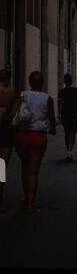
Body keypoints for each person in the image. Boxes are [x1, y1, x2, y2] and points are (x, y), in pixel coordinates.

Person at [15, 71, 56, 214]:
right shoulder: (47, 98)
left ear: (29, 81)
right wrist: (53, 129)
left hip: (21, 136)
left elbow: (15, 113)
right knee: (33, 171)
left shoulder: (23, 95)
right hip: (38, 137)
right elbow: (52, 118)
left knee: (24, 168)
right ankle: (30, 203)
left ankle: (26, 198)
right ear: (42, 83)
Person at [0, 69, 18, 210]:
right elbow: (13, 115)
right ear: (7, 79)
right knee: (2, 163)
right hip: (5, 128)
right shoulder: (12, 93)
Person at [58, 74, 77, 162]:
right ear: (71, 81)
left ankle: (67, 151)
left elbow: (60, 104)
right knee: (73, 132)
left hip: (65, 114)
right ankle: (70, 151)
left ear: (64, 81)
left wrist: (59, 114)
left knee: (66, 132)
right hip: (73, 114)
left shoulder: (61, 92)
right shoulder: (76, 90)